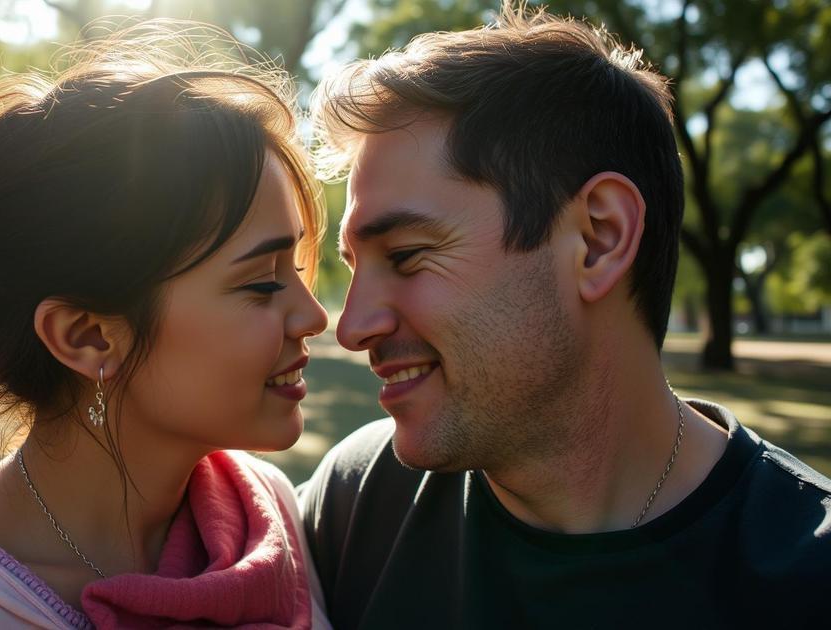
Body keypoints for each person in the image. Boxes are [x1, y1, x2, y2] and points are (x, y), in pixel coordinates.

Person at [299, 4, 831, 629]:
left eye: (408, 255)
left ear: (598, 239)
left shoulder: (807, 579)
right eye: (356, 264)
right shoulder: (357, 501)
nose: (352, 326)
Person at [0, 21, 331, 629]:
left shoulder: (266, 515)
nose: (314, 316)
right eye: (262, 283)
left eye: (296, 266)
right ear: (86, 336)